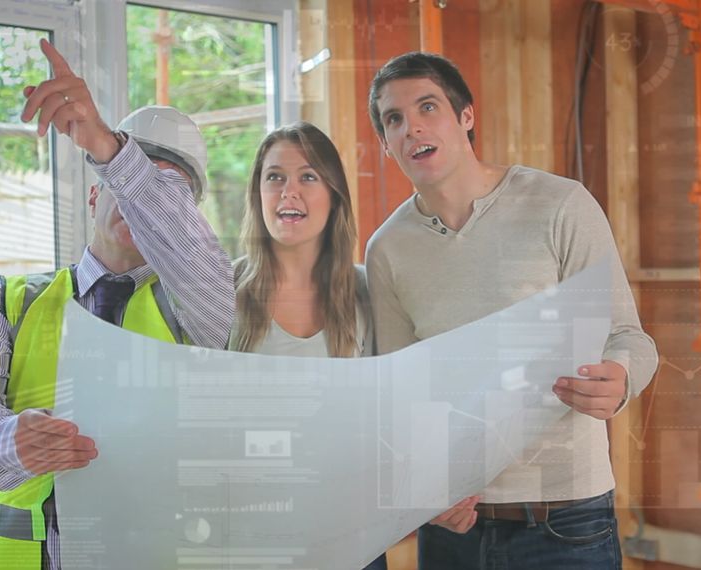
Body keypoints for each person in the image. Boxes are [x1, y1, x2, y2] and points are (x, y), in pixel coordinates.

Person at [0, 39, 234, 570]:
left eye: (169, 195)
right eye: (136, 181)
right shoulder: (7, 302)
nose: (145, 208)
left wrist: (112, 150)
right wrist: (7, 438)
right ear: (96, 195)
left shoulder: (201, 315)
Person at [364, 51, 658, 569]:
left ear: (466, 117)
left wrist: (621, 376)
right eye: (394, 119)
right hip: (456, 526)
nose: (411, 127)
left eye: (427, 107)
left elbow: (629, 338)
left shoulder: (561, 205)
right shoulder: (386, 249)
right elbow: (401, 393)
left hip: (567, 521)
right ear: (385, 143)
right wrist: (423, 492)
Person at [228, 122, 385, 569]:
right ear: (258, 193)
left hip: (351, 537)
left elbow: (392, 412)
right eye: (274, 177)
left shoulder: (367, 294)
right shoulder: (222, 292)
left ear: (334, 194)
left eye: (308, 177)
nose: (288, 191)